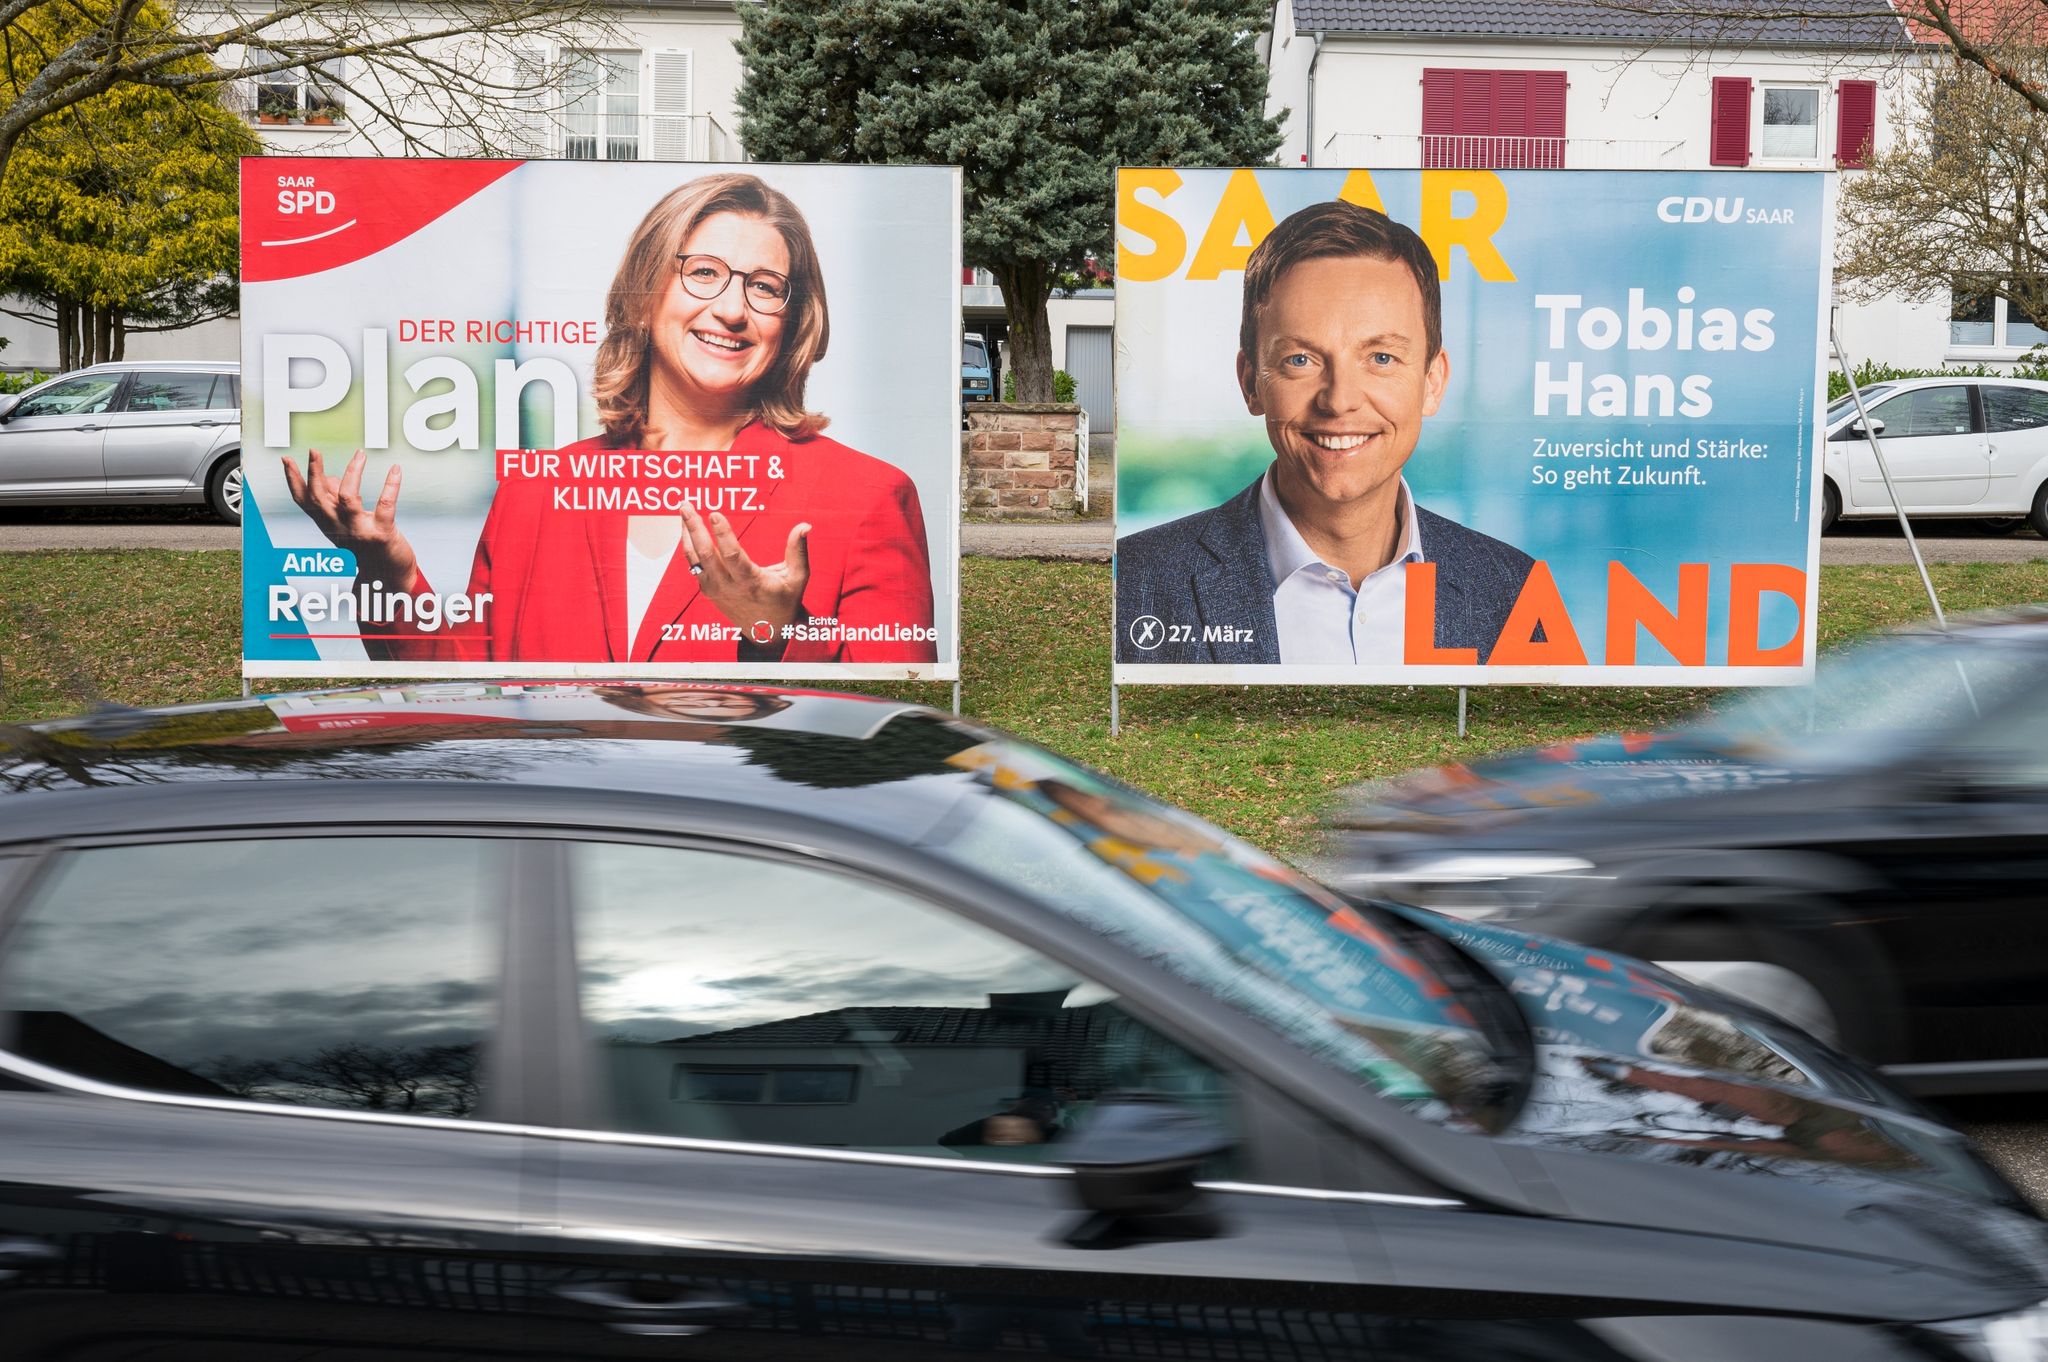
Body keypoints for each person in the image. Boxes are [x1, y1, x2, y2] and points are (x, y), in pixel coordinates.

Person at [283, 172, 936, 665]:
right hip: (555, 834)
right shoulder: (535, 490)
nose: (733, 308)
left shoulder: (868, 499)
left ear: (792, 320)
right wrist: (387, 573)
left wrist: (779, 633)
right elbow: (467, 696)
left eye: (765, 287)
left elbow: (894, 733)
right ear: (644, 294)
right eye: (703, 273)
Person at [1115, 199, 1532, 665]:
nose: (1339, 400)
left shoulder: (1514, 590)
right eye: (1301, 360)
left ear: (1432, 383)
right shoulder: (1136, 583)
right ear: (1252, 382)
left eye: (1380, 358)